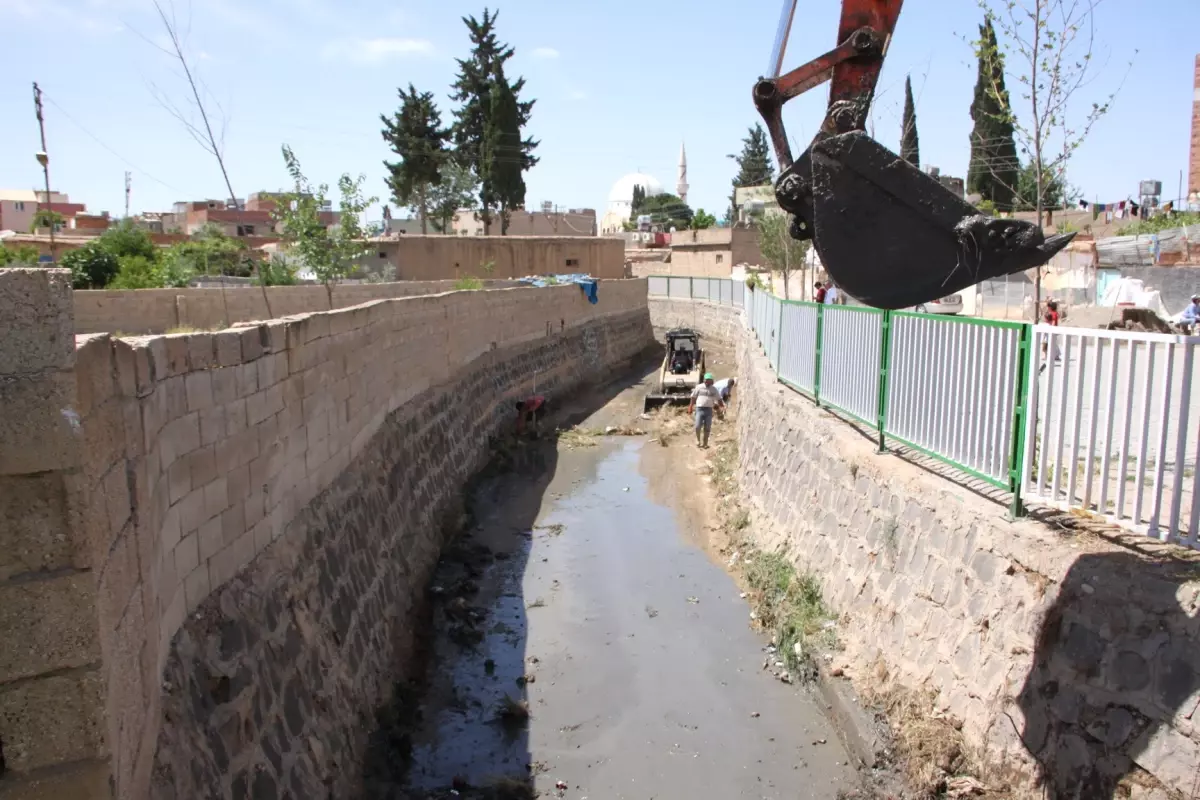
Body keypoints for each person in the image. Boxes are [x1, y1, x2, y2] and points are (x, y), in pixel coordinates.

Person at [688, 373, 725, 449]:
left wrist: (722, 407)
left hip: (708, 410)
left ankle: (705, 443)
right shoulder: (699, 387)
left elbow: (719, 399)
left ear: (711, 381)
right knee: (697, 426)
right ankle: (698, 440)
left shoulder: (713, 389)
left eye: (708, 380)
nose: (706, 382)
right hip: (699, 409)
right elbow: (693, 397)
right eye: (705, 380)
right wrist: (690, 407)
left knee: (707, 427)